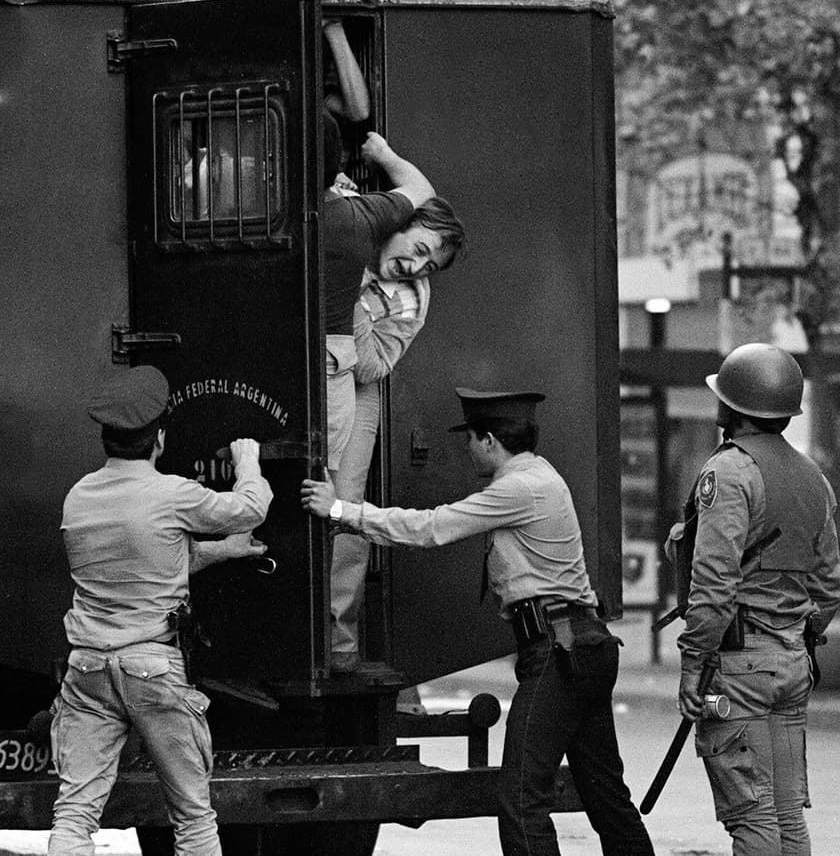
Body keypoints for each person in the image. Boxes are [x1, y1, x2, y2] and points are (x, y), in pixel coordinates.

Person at [301, 387, 654, 856]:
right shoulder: (539, 475)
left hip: (556, 653)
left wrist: (341, 510)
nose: (467, 450)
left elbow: (433, 528)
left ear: (489, 440)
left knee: (521, 800)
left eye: (470, 439)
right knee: (606, 796)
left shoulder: (518, 488)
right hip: (580, 646)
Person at [48, 365, 272, 856]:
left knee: (74, 816)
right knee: (193, 818)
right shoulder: (170, 494)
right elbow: (251, 508)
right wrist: (248, 461)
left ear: (106, 438)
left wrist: (224, 552)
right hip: (152, 668)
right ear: (160, 439)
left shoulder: (78, 498)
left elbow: (147, 559)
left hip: (87, 668)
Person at [671, 343, 840, 855]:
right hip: (791, 662)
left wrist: (693, 661)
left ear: (734, 409)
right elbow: (828, 585)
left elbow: (715, 582)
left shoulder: (729, 473)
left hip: (739, 666)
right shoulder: (813, 477)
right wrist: (797, 635)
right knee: (786, 816)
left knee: (752, 818)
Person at [329, 196, 465, 672]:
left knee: (343, 505)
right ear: (398, 222)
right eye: (421, 248)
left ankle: (337, 643)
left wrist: (353, 300)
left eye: (430, 265)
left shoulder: (411, 297)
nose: (418, 266)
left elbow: (372, 365)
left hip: (355, 384)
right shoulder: (350, 214)